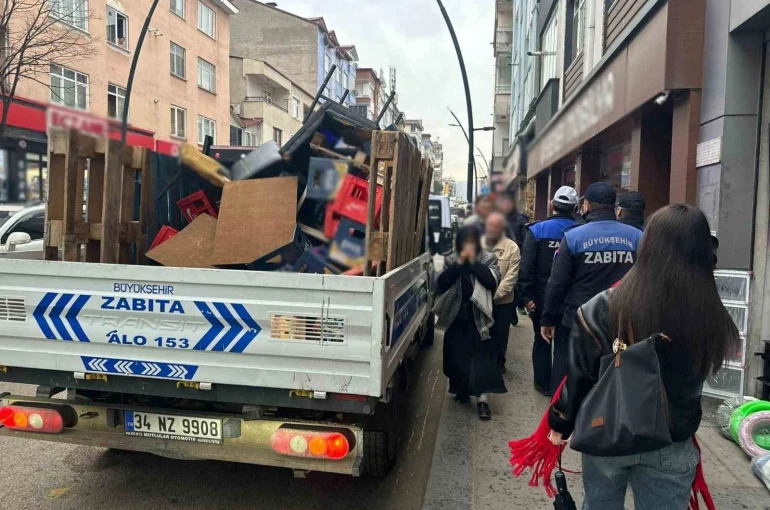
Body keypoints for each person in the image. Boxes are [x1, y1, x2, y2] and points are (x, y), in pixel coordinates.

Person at [547, 204, 739, 510]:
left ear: (646, 244)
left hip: (605, 431)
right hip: (671, 439)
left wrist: (561, 422)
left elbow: (580, 375)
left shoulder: (601, 306)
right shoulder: (710, 313)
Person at [540, 182, 642, 393]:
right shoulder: (637, 237)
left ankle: (562, 420)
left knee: (567, 380)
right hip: (621, 321)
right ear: (615, 208)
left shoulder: (573, 237)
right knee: (613, 379)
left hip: (578, 321)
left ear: (586, 205)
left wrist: (548, 319)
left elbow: (558, 283)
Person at [434, 226, 506, 420]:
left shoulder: (488, 258)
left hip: (480, 320)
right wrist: (459, 264)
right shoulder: (451, 259)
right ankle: (462, 391)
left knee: (482, 362)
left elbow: (492, 282)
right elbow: (441, 284)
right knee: (456, 359)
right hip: (457, 318)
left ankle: (483, 401)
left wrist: (472, 263)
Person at [517, 186, 578, 396]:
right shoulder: (581, 231)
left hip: (540, 300)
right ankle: (559, 388)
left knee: (541, 341)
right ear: (575, 207)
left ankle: (541, 383)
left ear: (552, 205)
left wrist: (526, 298)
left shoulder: (536, 230)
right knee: (564, 345)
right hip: (571, 302)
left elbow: (526, 267)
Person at [483, 212, 521, 373]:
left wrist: (493, 296)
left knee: (500, 335)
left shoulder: (512, 248)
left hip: (502, 302)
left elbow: (510, 279)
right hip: (480, 301)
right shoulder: (478, 245)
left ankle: (499, 363)